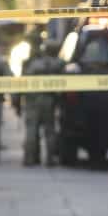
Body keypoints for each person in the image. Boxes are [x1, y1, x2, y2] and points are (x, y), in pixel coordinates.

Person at [19, 34, 64, 167]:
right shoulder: (58, 63)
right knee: (49, 130)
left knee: (31, 129)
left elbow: (21, 82)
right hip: (48, 100)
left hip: (32, 99)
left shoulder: (30, 63)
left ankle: (29, 158)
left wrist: (17, 100)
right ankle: (50, 159)